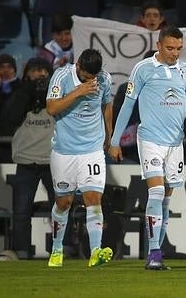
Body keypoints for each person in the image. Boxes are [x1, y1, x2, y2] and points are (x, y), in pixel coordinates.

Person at [109, 26, 186, 270]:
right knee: (155, 193)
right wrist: (114, 140)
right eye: (170, 48)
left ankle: (157, 252)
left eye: (178, 49)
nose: (175, 53)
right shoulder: (142, 69)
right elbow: (126, 106)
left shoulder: (185, 71)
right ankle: (153, 253)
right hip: (150, 140)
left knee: (165, 201)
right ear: (159, 45)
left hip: (175, 144)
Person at [45, 49, 113, 268]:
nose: (91, 80)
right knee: (63, 203)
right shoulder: (62, 76)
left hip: (92, 149)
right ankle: (56, 250)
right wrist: (79, 91)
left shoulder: (104, 78)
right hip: (65, 151)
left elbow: (107, 105)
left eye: (94, 76)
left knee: (93, 198)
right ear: (79, 66)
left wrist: (108, 134)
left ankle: (95, 252)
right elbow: (51, 108)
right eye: (86, 76)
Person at [3, 58, 55, 259]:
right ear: (26, 75)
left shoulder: (59, 94)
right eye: (35, 71)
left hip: (52, 160)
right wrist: (27, 91)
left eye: (44, 71)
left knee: (59, 209)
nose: (40, 75)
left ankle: (60, 249)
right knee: (21, 211)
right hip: (26, 161)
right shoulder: (19, 94)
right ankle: (22, 251)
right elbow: (9, 118)